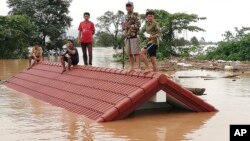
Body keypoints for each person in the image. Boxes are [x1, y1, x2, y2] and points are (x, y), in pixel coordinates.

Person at [123, 1, 141, 71]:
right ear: (126, 8)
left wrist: (129, 26)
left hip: (134, 36)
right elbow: (123, 27)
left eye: (130, 6)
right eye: (127, 6)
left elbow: (138, 25)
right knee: (129, 53)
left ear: (133, 7)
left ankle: (138, 67)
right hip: (127, 37)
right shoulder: (125, 16)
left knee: (136, 53)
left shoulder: (136, 14)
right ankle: (131, 67)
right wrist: (124, 26)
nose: (128, 7)